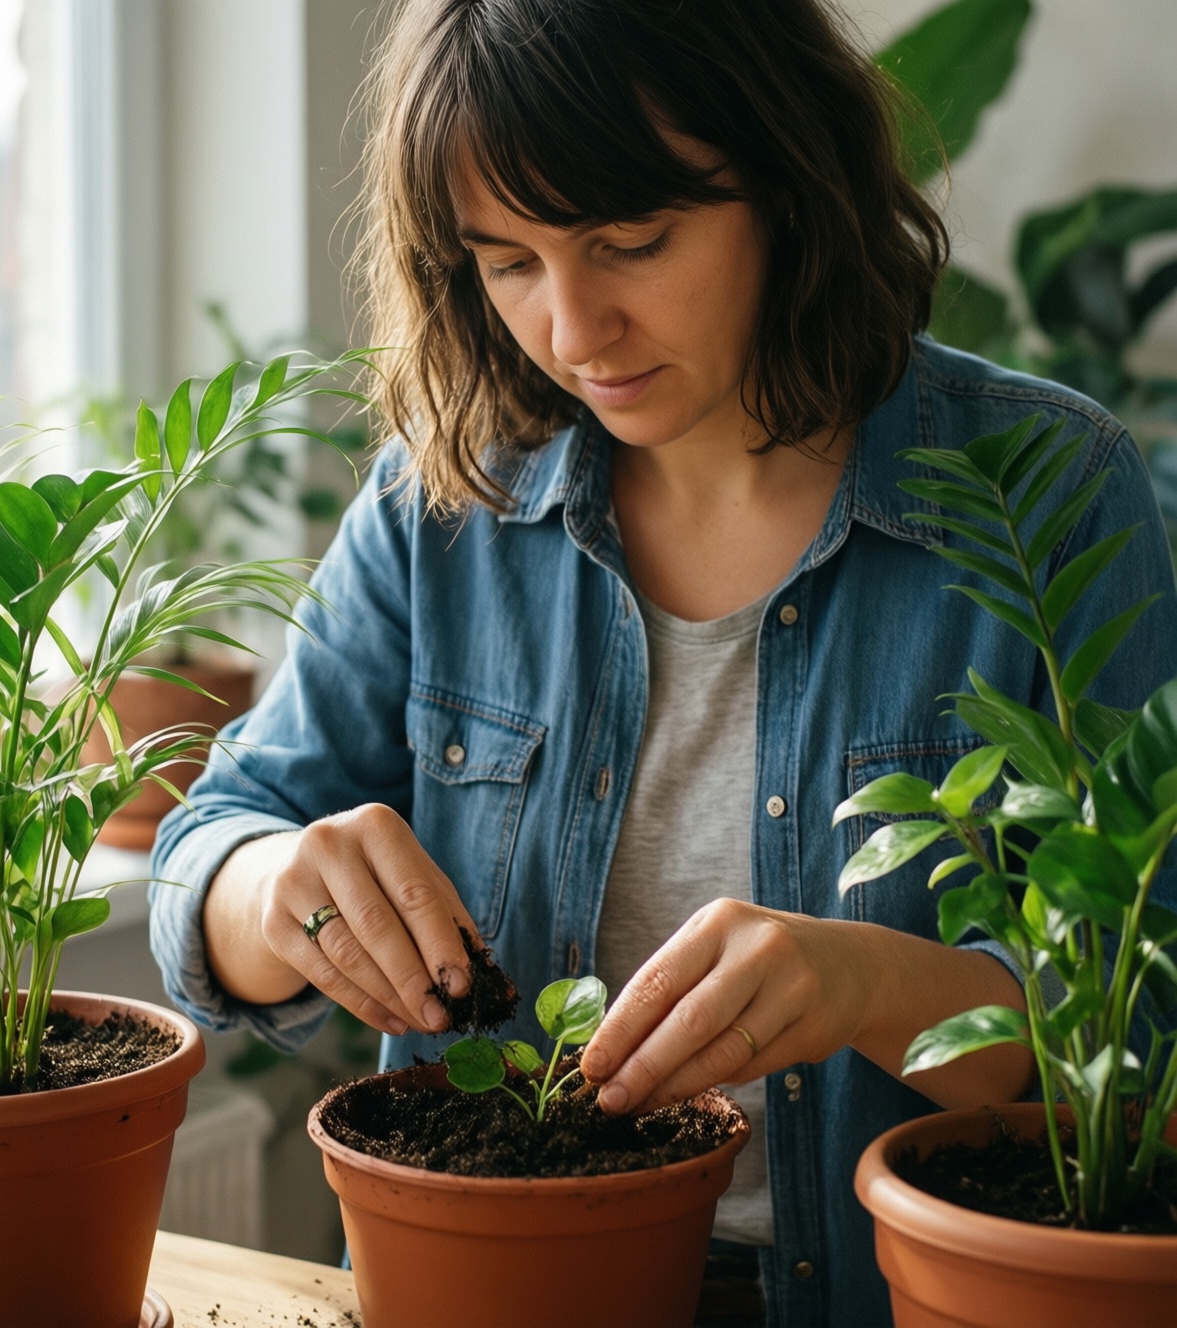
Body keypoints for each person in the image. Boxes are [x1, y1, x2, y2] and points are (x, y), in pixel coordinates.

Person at [149, 2, 1177, 1324]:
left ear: (788, 185)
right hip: (493, 1286)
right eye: (505, 261)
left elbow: (1141, 1044)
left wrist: (871, 982)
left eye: (631, 243)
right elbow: (207, 854)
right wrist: (271, 886)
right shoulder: (443, 503)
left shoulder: (1041, 490)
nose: (574, 330)